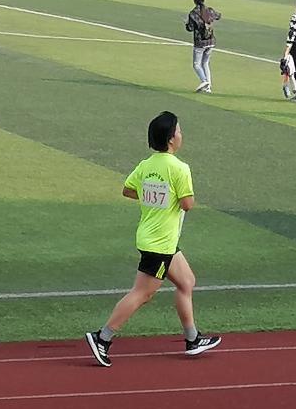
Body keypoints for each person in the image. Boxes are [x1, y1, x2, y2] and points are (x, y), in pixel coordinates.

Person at [86, 111, 221, 367]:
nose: (181, 134)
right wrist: (167, 197)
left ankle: (192, 338)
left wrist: (153, 195)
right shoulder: (179, 168)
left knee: (186, 281)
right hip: (160, 244)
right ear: (170, 139)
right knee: (143, 293)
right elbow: (187, 204)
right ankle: (102, 337)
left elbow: (128, 190)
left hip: (156, 238)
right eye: (178, 131)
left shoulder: (146, 165)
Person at [185, 0, 220, 94]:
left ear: (194, 0)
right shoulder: (209, 10)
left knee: (196, 64)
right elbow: (218, 16)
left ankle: (204, 81)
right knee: (205, 63)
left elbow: (190, 28)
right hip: (211, 40)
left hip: (200, 42)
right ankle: (208, 87)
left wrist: (186, 24)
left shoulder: (193, 13)